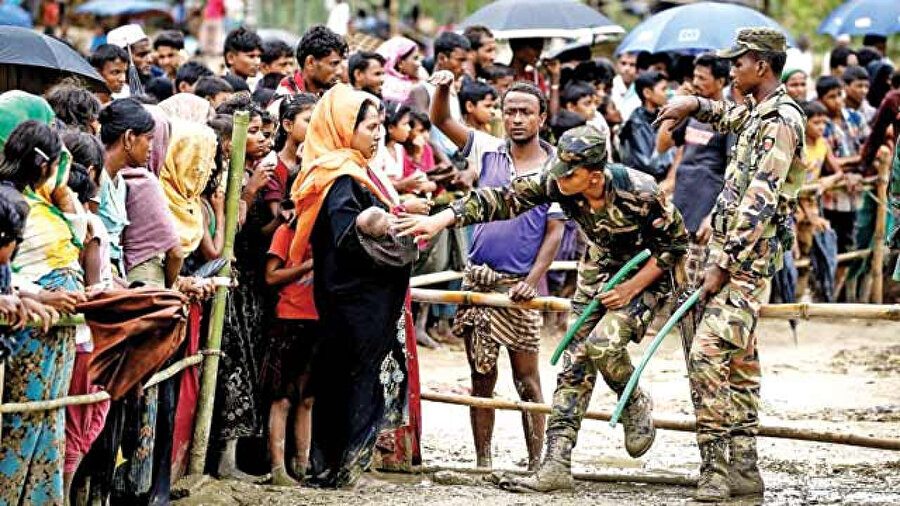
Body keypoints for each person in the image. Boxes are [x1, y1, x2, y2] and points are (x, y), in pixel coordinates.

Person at [396, 116, 687, 491]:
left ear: (594, 175)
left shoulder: (641, 190)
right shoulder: (558, 181)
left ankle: (632, 397)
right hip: (599, 268)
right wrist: (441, 221)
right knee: (574, 363)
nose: (559, 182)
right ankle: (556, 465)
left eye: (569, 175)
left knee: (602, 345)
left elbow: (675, 247)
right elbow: (503, 198)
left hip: (645, 272)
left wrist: (632, 288)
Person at [654, 27, 806, 501]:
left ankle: (715, 468)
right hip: (733, 258)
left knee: (707, 354)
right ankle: (745, 467)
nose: (730, 70)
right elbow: (727, 116)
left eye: (737, 62)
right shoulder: (757, 112)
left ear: (761, 65)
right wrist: (692, 105)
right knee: (740, 362)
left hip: (745, 263)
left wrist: (722, 261)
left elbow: (760, 200)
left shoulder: (781, 120)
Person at [429, 70, 571, 470]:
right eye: (510, 112)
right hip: (480, 279)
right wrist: (442, 88)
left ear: (542, 117)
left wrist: (531, 280)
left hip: (520, 286)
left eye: (526, 112)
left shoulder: (556, 167)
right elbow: (441, 121)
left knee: (527, 377)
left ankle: (536, 461)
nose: (517, 119)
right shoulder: (486, 149)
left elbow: (555, 232)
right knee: (481, 376)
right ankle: (483, 461)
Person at [288, 84, 419, 487]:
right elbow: (349, 233)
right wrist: (382, 221)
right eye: (370, 127)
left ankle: (336, 465)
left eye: (381, 126)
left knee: (341, 378)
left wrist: (392, 212)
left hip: (348, 298)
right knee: (356, 379)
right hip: (355, 300)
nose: (378, 134)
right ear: (345, 129)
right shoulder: (341, 175)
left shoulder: (344, 169)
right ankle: (348, 466)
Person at [0, 108, 87, 506]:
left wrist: (66, 195)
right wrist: (38, 296)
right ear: (45, 163)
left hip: (53, 328)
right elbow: (8, 273)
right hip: (25, 332)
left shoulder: (42, 200)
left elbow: (78, 239)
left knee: (48, 419)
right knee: (20, 422)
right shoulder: (8, 203)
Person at [665, 54, 733, 286]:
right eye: (695, 76)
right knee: (676, 286)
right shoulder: (691, 113)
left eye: (703, 78)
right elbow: (664, 144)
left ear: (721, 81)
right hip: (681, 209)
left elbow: (732, 173)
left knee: (696, 288)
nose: (696, 82)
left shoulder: (730, 118)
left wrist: (712, 215)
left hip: (705, 215)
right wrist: (676, 105)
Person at [262, 212, 317, 486]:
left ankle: (302, 467)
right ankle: (278, 469)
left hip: (318, 319)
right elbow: (271, 276)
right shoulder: (287, 231)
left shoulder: (328, 231)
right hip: (289, 318)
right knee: (282, 398)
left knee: (307, 399)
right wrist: (307, 265)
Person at [619, 70, 674, 181]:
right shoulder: (636, 123)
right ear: (647, 93)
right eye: (663, 89)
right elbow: (650, 164)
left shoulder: (659, 115)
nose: (668, 93)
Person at [276, 25, 347, 98]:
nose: (340, 71)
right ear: (310, 62)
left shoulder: (330, 94)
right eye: (334, 64)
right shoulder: (286, 100)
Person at [377, 36, 422, 104]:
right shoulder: (390, 86)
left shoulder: (415, 80)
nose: (419, 64)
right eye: (415, 58)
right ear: (400, 63)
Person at [612, 51, 640, 121]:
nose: (627, 68)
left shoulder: (641, 88)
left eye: (632, 64)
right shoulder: (610, 87)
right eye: (623, 63)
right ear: (617, 65)